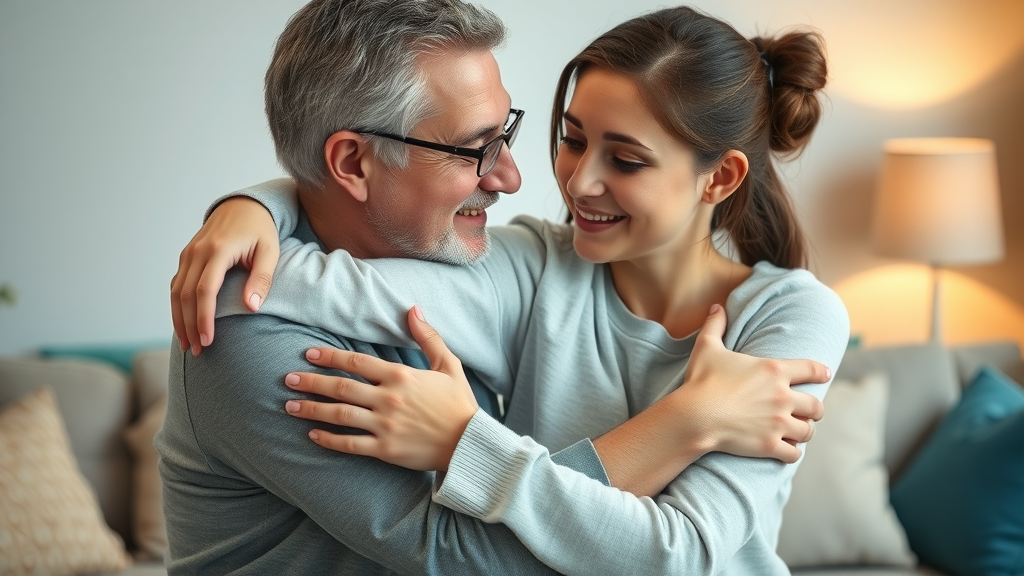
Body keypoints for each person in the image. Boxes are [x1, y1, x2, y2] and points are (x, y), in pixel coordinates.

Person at [167, 3, 847, 576]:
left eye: (627, 159)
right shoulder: (531, 269)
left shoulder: (791, 316)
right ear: (351, 162)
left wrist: (466, 444)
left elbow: (682, 555)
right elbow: (296, 289)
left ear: (720, 178)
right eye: (572, 140)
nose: (566, 183)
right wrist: (255, 209)